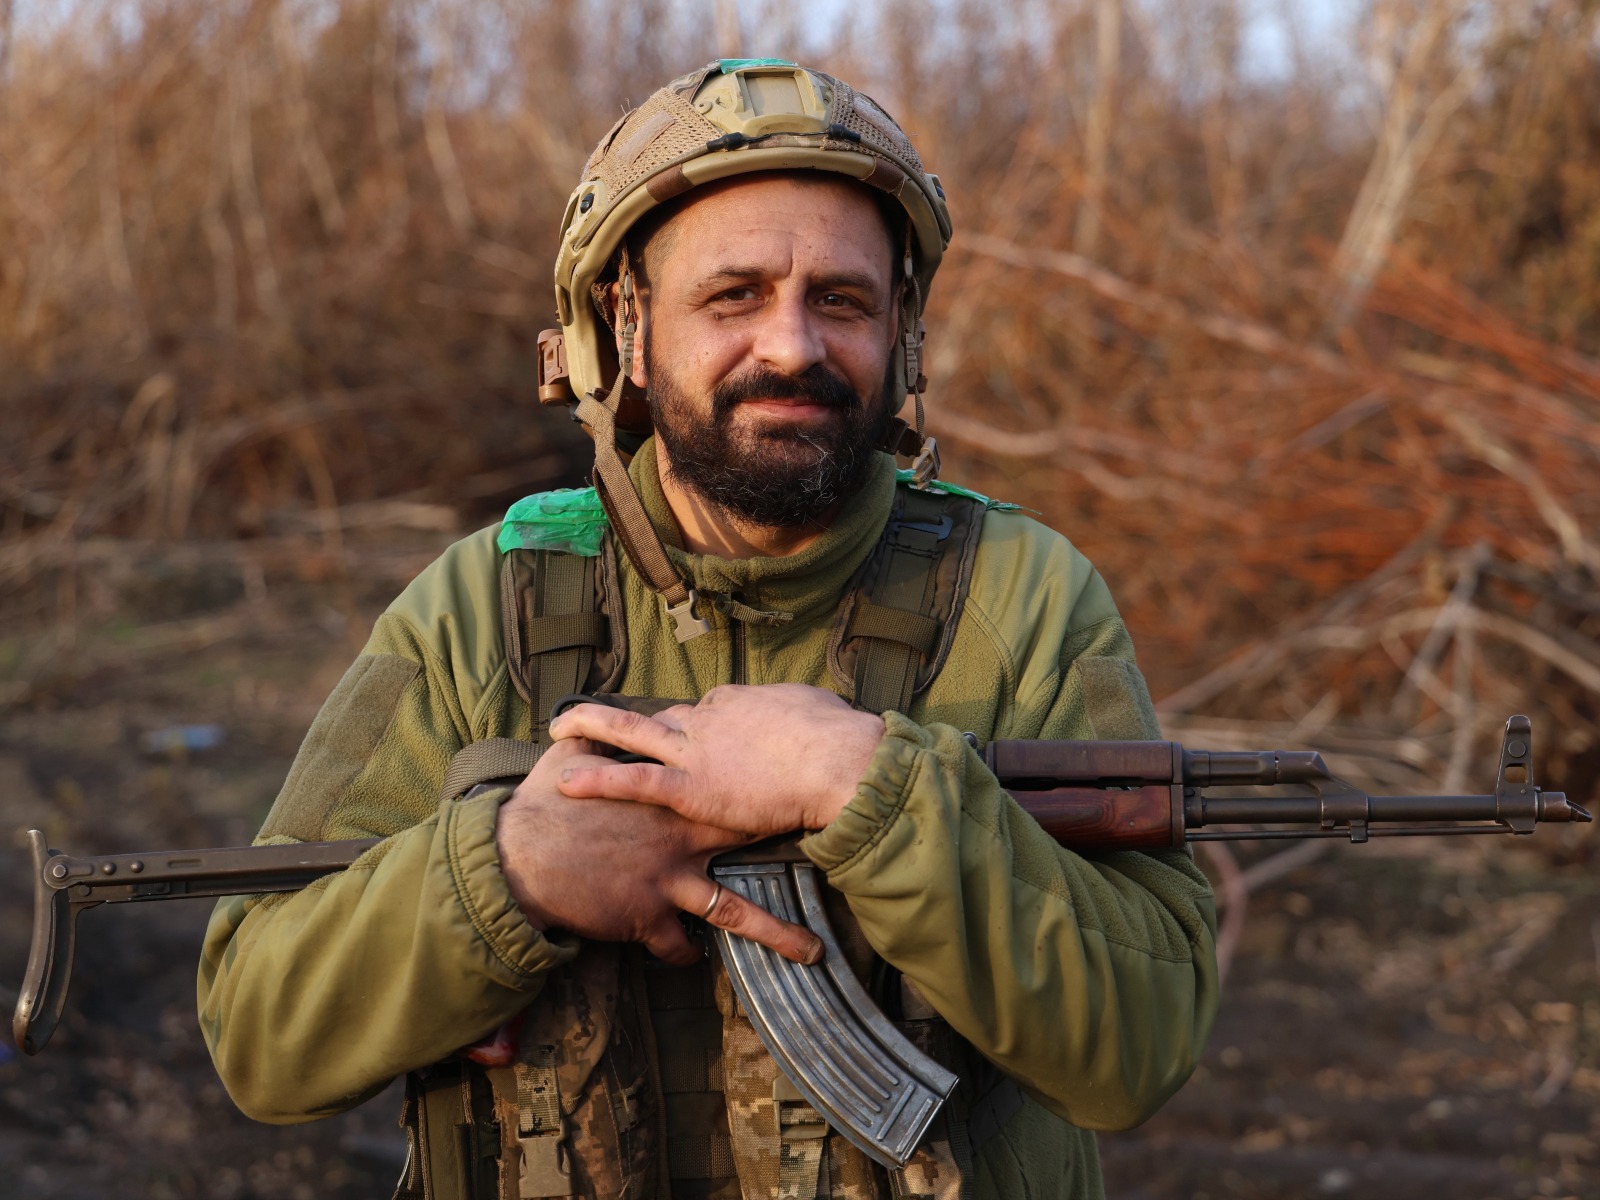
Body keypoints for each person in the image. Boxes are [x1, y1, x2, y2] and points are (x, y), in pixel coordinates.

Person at [198, 60, 1219, 1200]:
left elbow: (1142, 1044)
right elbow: (258, 1030)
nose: (792, 347)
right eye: (733, 296)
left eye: (841, 300)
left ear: (902, 334)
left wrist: (868, 790)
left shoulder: (1022, 598)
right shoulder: (483, 608)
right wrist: (507, 874)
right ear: (625, 331)